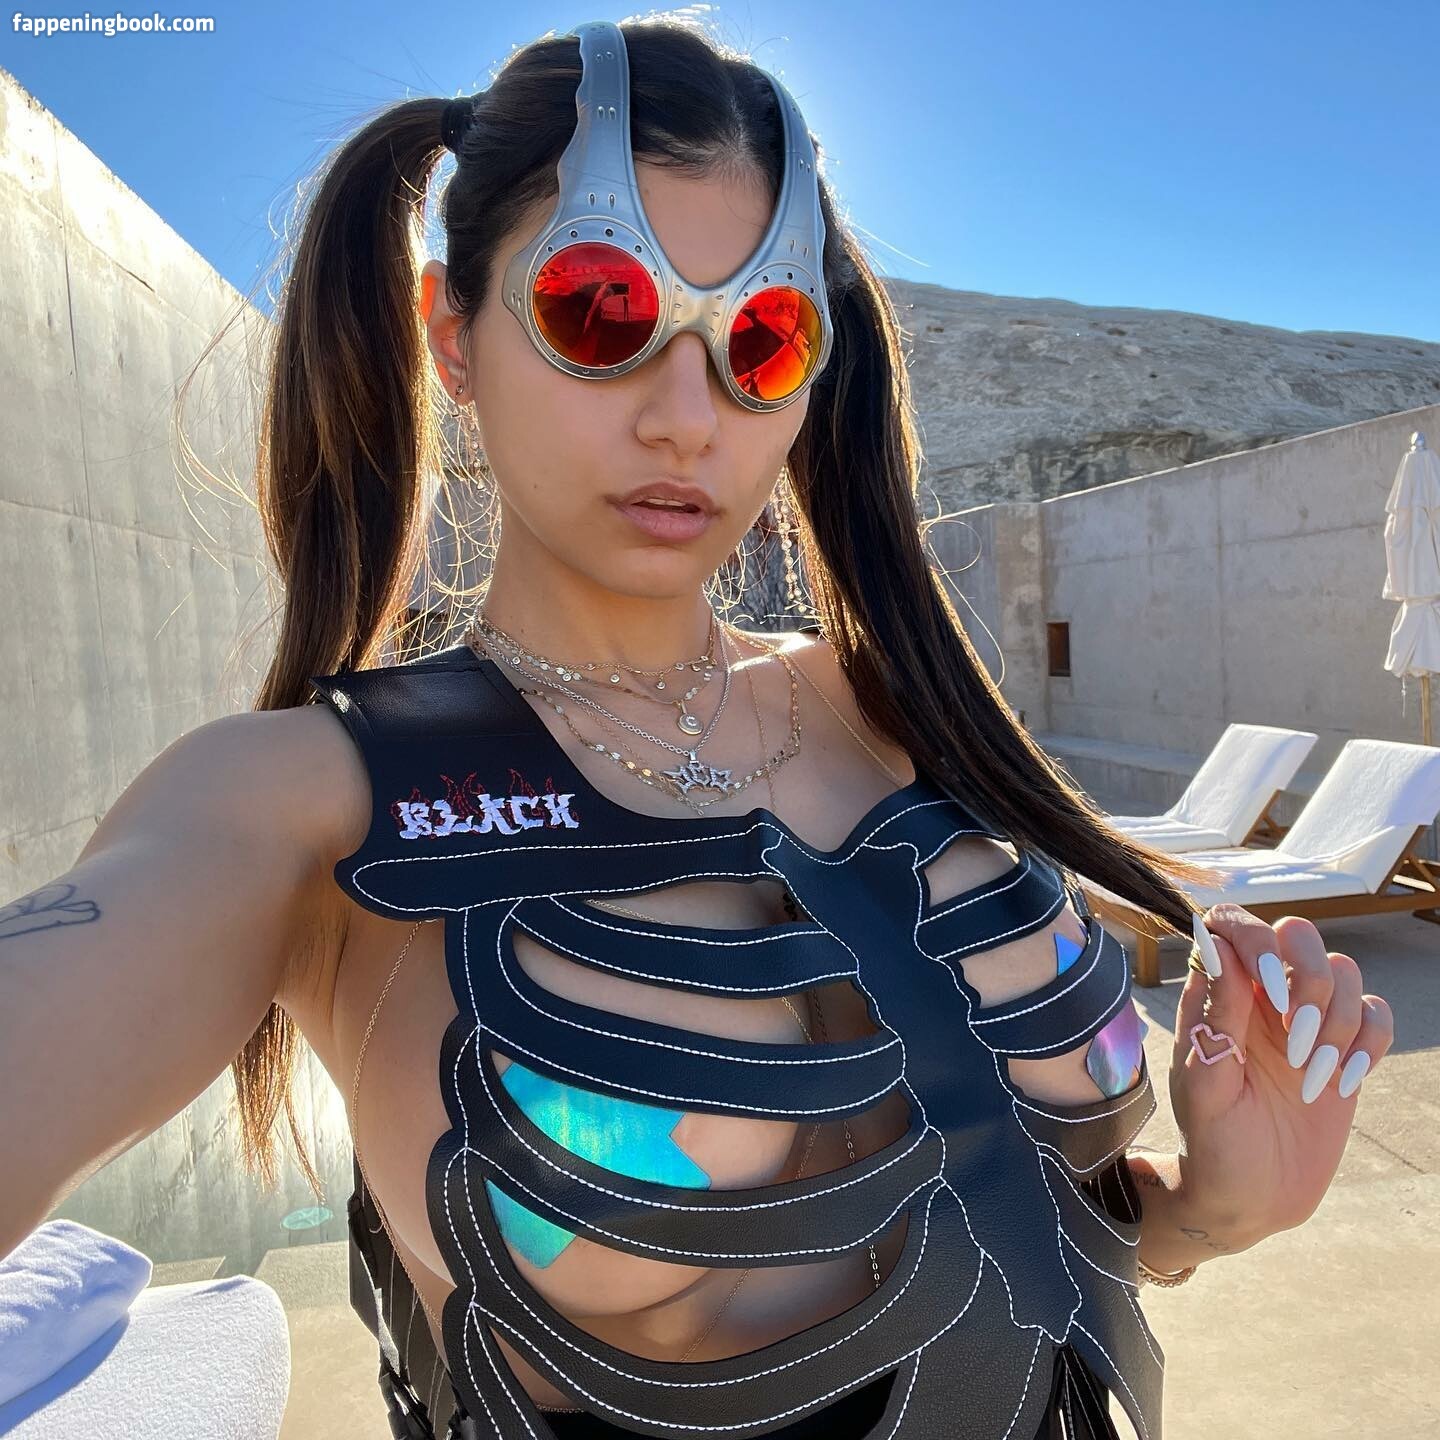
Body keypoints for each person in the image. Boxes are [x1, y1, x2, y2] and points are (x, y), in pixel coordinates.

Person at [0, 14, 1394, 1440]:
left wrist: (1210, 1211)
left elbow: (1007, 1241)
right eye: (600, 310)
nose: (688, 417)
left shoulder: (903, 709)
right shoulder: (314, 807)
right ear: (453, 335)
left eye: (761, 340)